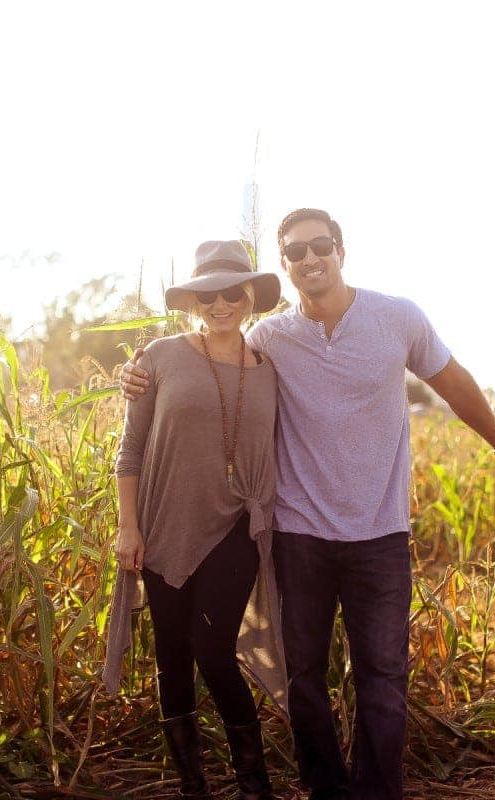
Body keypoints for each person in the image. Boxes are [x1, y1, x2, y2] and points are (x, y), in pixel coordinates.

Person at [122, 208, 495, 800]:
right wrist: (135, 375)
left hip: (381, 533)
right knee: (305, 681)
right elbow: (199, 360)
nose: (309, 257)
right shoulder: (268, 340)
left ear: (341, 251)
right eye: (295, 251)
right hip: (300, 535)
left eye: (321, 245)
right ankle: (325, 791)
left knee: (384, 681)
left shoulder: (398, 318)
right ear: (285, 266)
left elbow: (453, 382)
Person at [102, 240, 286, 800]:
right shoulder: (158, 356)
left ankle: (254, 784)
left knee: (212, 650)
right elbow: (129, 452)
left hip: (237, 526)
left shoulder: (270, 368)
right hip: (163, 525)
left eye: (233, 292)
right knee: (172, 657)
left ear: (251, 296)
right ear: (193, 300)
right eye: (208, 294)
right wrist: (128, 526)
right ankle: (193, 786)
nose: (221, 303)